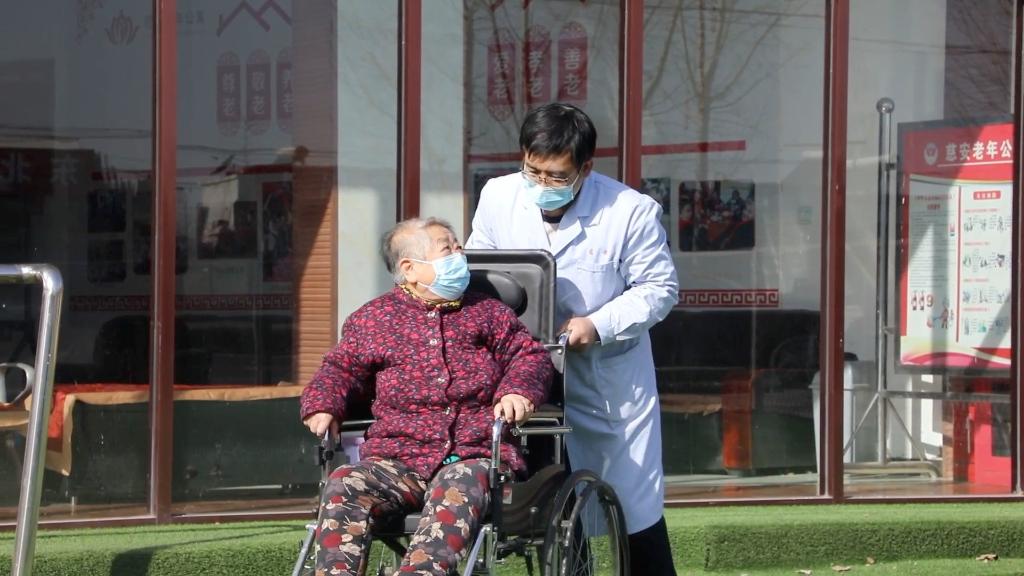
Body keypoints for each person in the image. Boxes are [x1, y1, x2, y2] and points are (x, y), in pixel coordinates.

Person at [466, 102, 680, 575]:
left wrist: (597, 324)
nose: (542, 184)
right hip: (525, 373)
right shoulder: (498, 195)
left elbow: (659, 289)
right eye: (533, 171)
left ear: (586, 167)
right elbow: (479, 271)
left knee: (634, 510)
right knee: (551, 504)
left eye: (557, 176)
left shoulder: (630, 211)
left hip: (605, 380)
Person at [301, 217, 553, 576]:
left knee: (458, 487)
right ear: (410, 268)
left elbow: (529, 356)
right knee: (345, 482)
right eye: (448, 249)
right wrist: (323, 405)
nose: (460, 255)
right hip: (397, 458)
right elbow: (340, 369)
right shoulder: (373, 319)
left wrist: (517, 391)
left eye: (458, 246)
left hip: (474, 453)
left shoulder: (489, 312)